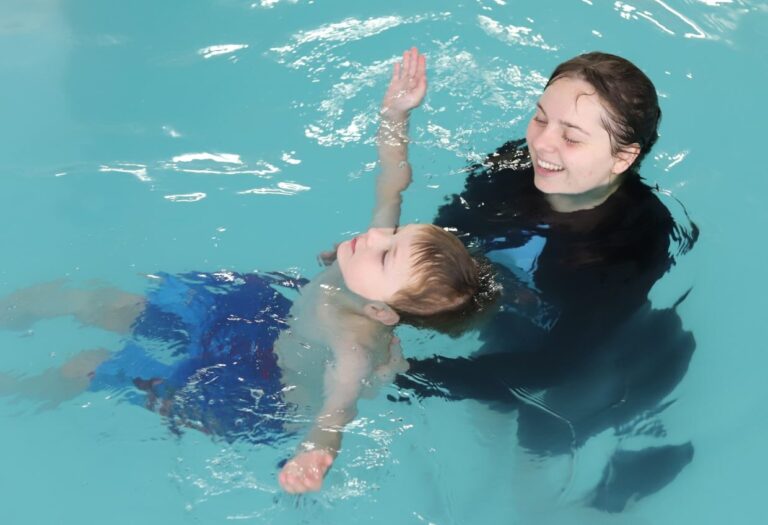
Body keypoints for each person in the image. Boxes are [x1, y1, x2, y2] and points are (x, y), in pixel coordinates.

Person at [0, 48, 484, 495]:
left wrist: (314, 455)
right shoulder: (374, 257)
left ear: (379, 310)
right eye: (393, 234)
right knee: (104, 303)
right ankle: (11, 312)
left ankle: (20, 389)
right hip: (266, 320)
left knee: (86, 365)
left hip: (263, 389)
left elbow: (336, 412)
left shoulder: (354, 346)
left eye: (385, 254)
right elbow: (394, 176)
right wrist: (396, 114)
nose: (376, 236)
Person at [394, 52, 699, 512]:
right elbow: (444, 246)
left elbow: (558, 363)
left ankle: (597, 496)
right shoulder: (512, 167)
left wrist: (413, 373)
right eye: (540, 118)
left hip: (596, 351)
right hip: (513, 316)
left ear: (624, 156)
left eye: (571, 137)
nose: (542, 144)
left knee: (538, 442)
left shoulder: (635, 241)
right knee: (480, 418)